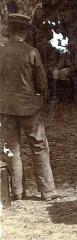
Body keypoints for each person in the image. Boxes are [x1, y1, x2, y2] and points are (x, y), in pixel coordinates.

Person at [0, 14, 58, 201]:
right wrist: (43, 99)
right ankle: (47, 190)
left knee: (11, 148)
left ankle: (16, 192)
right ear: (24, 31)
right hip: (29, 107)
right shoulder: (31, 52)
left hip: (6, 107)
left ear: (9, 31)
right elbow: (41, 83)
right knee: (39, 146)